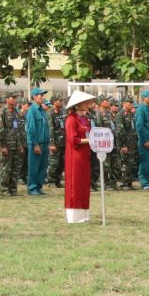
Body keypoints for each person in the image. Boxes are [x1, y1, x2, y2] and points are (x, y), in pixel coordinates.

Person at [63, 89, 98, 224]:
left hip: (84, 154)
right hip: (75, 156)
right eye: (85, 102)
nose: (88, 104)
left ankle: (84, 213)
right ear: (78, 104)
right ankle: (74, 215)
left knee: (84, 184)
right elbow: (73, 140)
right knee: (75, 183)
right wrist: (90, 140)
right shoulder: (71, 120)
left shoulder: (84, 119)